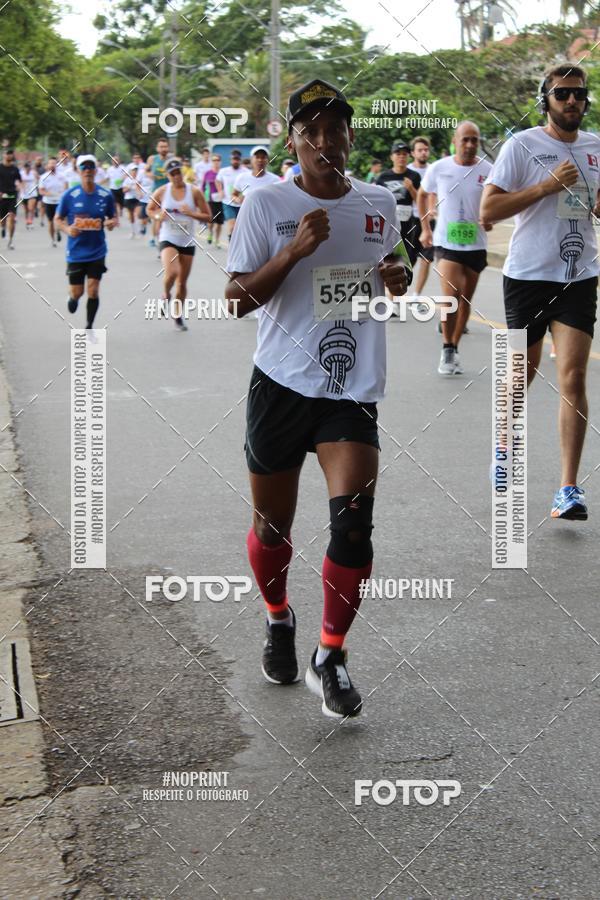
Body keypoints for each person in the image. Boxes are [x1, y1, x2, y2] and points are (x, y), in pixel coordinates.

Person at [225, 79, 409, 719]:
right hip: (278, 383)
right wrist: (294, 251)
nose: (324, 141)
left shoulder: (379, 201)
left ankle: (330, 655)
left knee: (353, 527)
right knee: (272, 526)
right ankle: (278, 616)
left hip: (349, 389)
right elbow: (235, 299)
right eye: (310, 130)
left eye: (335, 128)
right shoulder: (264, 202)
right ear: (294, 139)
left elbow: (389, 283)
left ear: (350, 135)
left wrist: (398, 278)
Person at [481, 65, 600, 520]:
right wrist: (546, 187)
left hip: (578, 274)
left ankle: (568, 488)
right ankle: (503, 452)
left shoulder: (595, 148)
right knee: (521, 375)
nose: (571, 101)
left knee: (572, 377)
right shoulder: (523, 145)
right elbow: (487, 209)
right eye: (562, 94)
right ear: (545, 99)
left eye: (579, 94)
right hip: (528, 275)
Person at [418, 121, 492, 375]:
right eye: (465, 139)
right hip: (446, 244)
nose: (470, 144)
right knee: (451, 297)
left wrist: (490, 217)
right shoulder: (440, 168)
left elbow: (497, 199)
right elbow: (421, 194)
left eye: (475, 140)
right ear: (455, 140)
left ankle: (454, 348)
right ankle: (447, 348)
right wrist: (425, 228)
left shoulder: (489, 170)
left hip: (476, 244)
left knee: (465, 300)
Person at [147, 157, 210, 332]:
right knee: (172, 272)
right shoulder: (162, 191)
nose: (176, 177)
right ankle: (166, 294)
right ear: (167, 175)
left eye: (178, 173)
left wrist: (191, 213)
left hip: (187, 241)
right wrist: (159, 216)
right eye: (172, 174)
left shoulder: (194, 192)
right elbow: (150, 209)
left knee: (182, 283)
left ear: (182, 172)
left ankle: (177, 316)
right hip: (168, 238)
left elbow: (208, 216)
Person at [55, 154, 118, 329]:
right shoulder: (69, 195)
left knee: (93, 290)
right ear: (78, 171)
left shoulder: (106, 195)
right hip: (76, 251)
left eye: (91, 167)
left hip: (97, 249)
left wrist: (112, 223)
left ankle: (89, 326)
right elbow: (57, 219)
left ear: (96, 171)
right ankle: (72, 297)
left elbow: (113, 217)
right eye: (84, 167)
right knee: (78, 292)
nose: (88, 170)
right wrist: (68, 229)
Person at [375, 142, 421, 268]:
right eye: (398, 154)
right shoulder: (383, 177)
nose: (401, 157)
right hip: (388, 223)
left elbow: (420, 201)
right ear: (391, 157)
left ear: (408, 157)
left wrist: (411, 188)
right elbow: (377, 202)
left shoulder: (414, 176)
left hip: (407, 224)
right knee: (388, 257)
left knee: (406, 258)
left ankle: (404, 281)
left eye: (404, 154)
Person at [408, 137, 436, 303]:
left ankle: (416, 295)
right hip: (411, 220)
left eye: (426, 149)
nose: (423, 152)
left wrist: (432, 208)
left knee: (426, 259)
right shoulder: (407, 171)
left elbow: (434, 192)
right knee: (408, 260)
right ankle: (395, 296)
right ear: (413, 153)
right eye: (420, 150)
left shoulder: (433, 169)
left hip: (429, 221)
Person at [146, 137, 170, 246]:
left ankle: (163, 240)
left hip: (168, 194)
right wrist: (150, 175)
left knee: (165, 218)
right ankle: (155, 238)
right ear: (157, 148)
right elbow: (146, 170)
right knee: (157, 218)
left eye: (165, 146)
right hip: (156, 193)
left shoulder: (172, 160)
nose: (163, 149)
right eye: (161, 147)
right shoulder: (152, 159)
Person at [216, 148, 244, 240]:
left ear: (240, 160)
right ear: (230, 160)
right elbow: (217, 181)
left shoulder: (245, 172)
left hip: (241, 203)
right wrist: (220, 190)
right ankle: (231, 241)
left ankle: (235, 240)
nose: (235, 161)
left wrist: (243, 197)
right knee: (232, 226)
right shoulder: (224, 171)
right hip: (228, 202)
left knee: (240, 227)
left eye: (237, 159)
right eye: (234, 159)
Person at [38, 157, 65, 248]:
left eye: (54, 163)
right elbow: (41, 191)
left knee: (58, 219)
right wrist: (49, 194)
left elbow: (66, 187)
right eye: (51, 163)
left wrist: (63, 194)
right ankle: (53, 240)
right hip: (48, 202)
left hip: (59, 202)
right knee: (50, 221)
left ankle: (57, 231)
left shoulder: (62, 176)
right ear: (48, 165)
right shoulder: (43, 177)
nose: (53, 165)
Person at [201, 153, 224, 248]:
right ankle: (210, 233)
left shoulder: (223, 172)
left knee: (219, 222)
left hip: (222, 200)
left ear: (220, 162)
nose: (216, 162)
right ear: (211, 162)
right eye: (214, 160)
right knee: (211, 221)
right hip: (211, 200)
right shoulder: (208, 173)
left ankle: (217, 240)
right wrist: (201, 197)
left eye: (217, 160)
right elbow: (202, 186)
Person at [0, 149, 21, 249]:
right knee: (2, 219)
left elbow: (20, 181)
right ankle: (3, 227)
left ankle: (10, 241)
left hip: (12, 195)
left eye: (11, 155)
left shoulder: (15, 169)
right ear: (4, 155)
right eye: (7, 154)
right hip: (1, 196)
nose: (9, 156)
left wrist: (20, 188)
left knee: (12, 217)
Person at [122, 163, 140, 238]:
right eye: (133, 170)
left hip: (137, 199)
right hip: (129, 199)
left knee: (137, 214)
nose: (135, 172)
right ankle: (133, 232)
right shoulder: (127, 180)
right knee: (131, 216)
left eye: (136, 170)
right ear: (131, 171)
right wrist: (129, 187)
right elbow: (124, 190)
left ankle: (139, 230)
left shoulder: (139, 179)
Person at [20, 160, 37, 230]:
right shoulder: (21, 173)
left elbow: (39, 179)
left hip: (32, 193)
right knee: (26, 210)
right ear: (24, 168)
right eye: (26, 167)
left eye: (28, 167)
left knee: (31, 208)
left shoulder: (33, 173)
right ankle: (27, 221)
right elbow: (18, 182)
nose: (27, 168)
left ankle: (31, 221)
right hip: (23, 194)